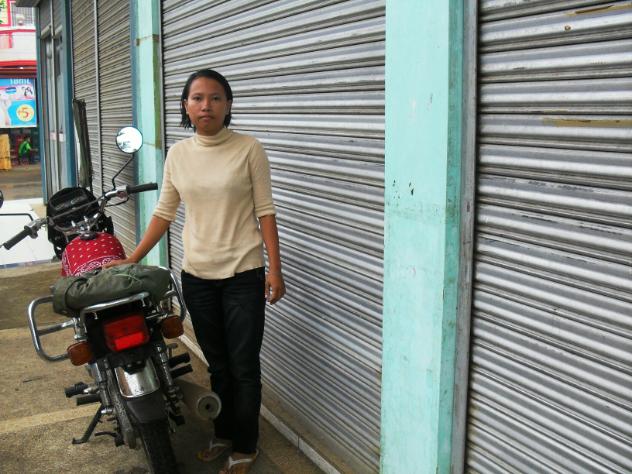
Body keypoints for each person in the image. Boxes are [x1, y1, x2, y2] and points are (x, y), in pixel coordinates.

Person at [105, 68, 285, 473]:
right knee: (216, 364)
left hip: (243, 274)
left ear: (228, 105)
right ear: (185, 106)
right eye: (198, 98)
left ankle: (246, 445)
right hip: (198, 277)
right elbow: (164, 212)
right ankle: (223, 433)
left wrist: (275, 269)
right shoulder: (179, 154)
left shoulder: (249, 149)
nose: (207, 105)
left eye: (216, 98)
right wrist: (133, 258)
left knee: (243, 366)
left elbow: (266, 212)